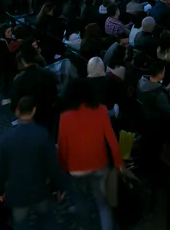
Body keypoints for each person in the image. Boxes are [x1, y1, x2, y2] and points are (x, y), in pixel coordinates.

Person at [57, 79, 123, 230]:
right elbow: (111, 139)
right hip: (99, 165)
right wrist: (118, 162)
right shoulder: (101, 110)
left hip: (76, 169)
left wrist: (62, 170)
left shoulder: (65, 118)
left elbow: (62, 148)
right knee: (103, 205)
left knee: (81, 202)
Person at [0, 96, 66, 229]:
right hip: (39, 192)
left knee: (20, 225)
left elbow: (2, 170)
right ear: (34, 110)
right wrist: (59, 186)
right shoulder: (42, 135)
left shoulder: (7, 139)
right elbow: (52, 166)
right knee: (46, 221)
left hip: (18, 195)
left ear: (17, 111)